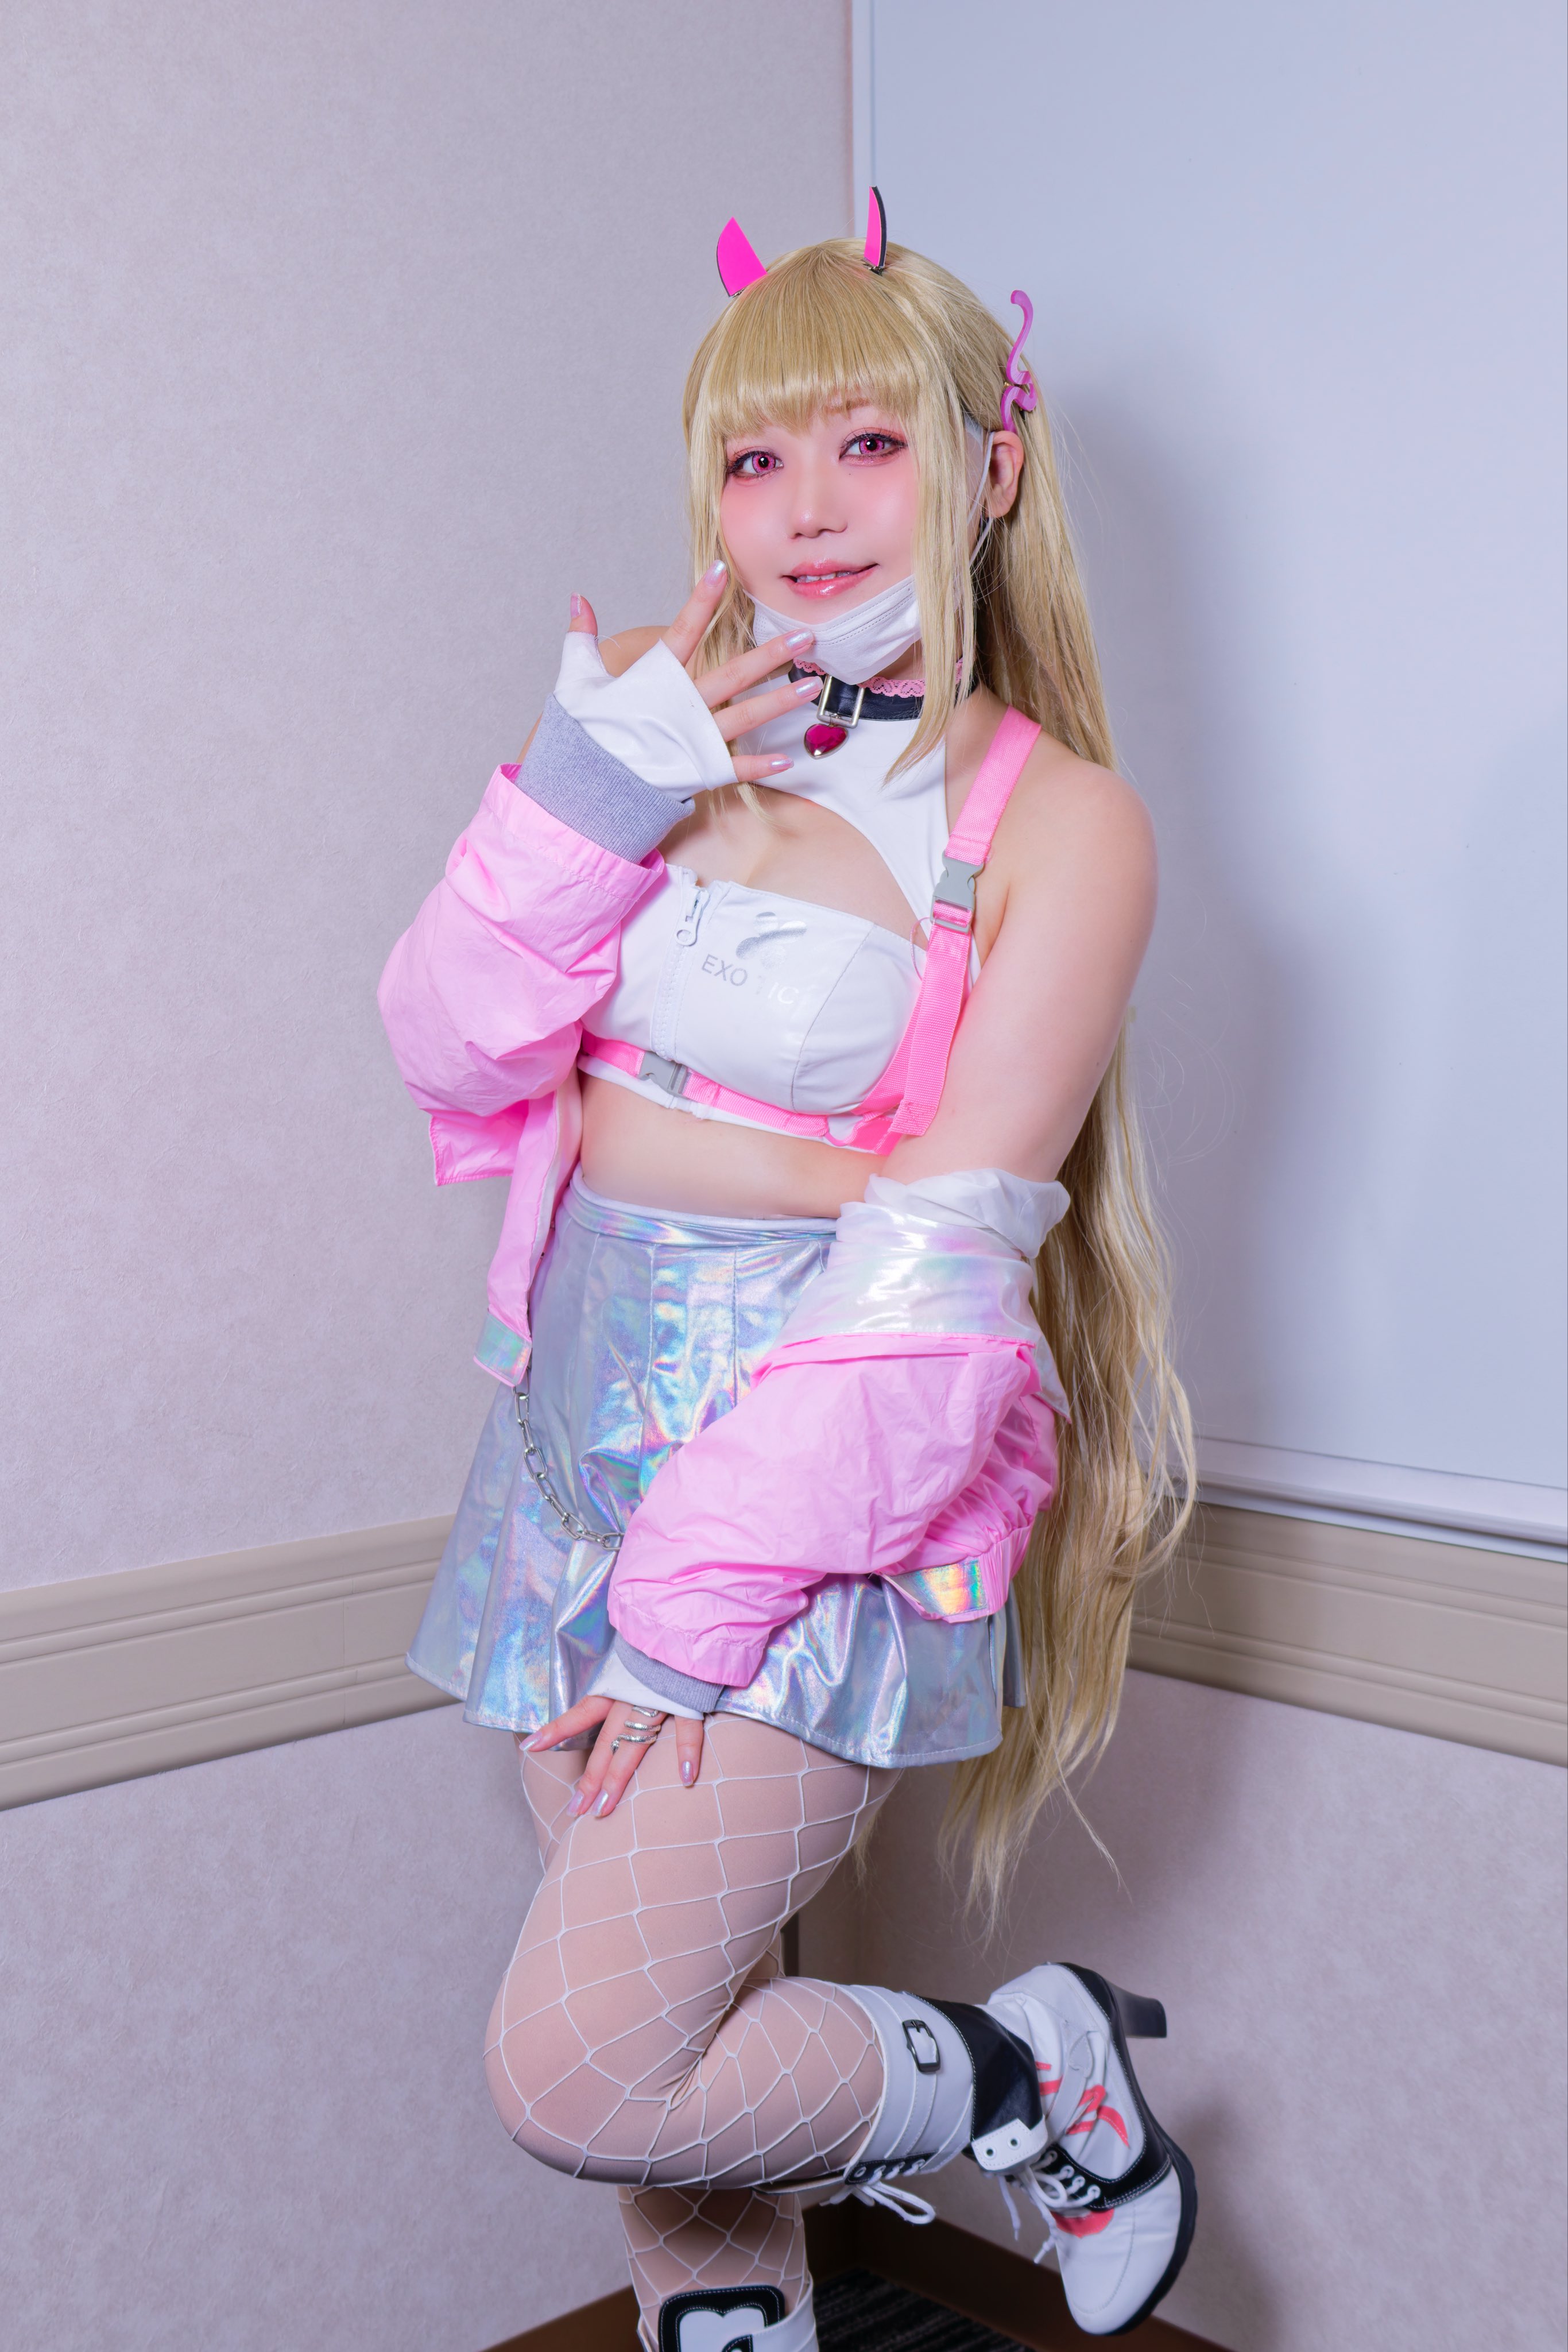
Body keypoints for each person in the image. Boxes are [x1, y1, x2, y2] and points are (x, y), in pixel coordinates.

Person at [380, 200, 1197, 2351]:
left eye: (867, 444)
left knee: (583, 2066)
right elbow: (456, 1052)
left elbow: (931, 1266)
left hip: (812, 1480)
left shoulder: (1055, 825)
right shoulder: (668, 733)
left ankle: (1024, 2077)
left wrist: (688, 1613)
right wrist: (588, 784)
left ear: (988, 466)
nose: (805, 510)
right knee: (687, 2025)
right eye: (755, 459)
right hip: (571, 1449)